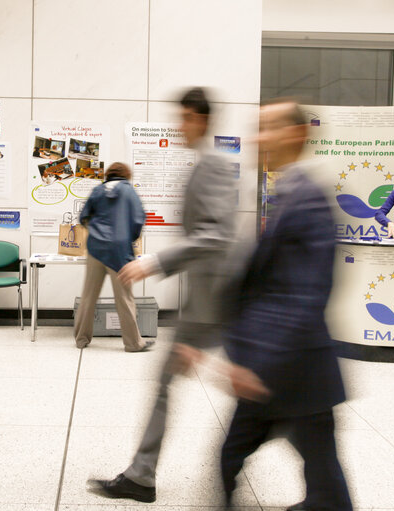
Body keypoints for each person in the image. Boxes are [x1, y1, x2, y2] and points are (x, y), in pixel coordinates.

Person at [88, 87, 242, 502]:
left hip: (217, 304)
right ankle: (141, 475)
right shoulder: (202, 166)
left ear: (202, 120)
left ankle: (306, 457)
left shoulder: (211, 167)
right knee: (168, 384)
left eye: (186, 117)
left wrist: (156, 261)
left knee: (255, 389)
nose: (180, 125)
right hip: (205, 304)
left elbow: (217, 235)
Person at [219, 99, 352, 511]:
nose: (258, 137)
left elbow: (305, 294)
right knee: (322, 475)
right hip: (292, 365)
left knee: (230, 461)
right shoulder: (289, 192)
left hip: (289, 367)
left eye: (268, 127)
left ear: (297, 134)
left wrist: (255, 362)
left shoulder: (307, 199)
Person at [74, 162, 151, 353]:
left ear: (108, 174)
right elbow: (138, 219)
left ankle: (81, 340)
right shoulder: (129, 191)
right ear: (126, 175)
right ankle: (133, 343)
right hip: (119, 251)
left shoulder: (97, 190)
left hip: (95, 249)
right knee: (124, 298)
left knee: (88, 296)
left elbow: (83, 217)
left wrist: (96, 232)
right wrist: (127, 238)